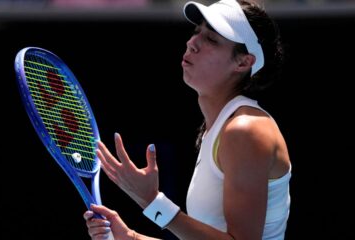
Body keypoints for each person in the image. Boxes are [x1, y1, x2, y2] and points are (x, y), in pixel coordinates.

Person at [83, 0, 292, 239]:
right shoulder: (219, 129)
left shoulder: (245, 130)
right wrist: (129, 237)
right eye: (196, 33)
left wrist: (152, 201)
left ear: (243, 62)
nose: (192, 43)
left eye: (211, 40)